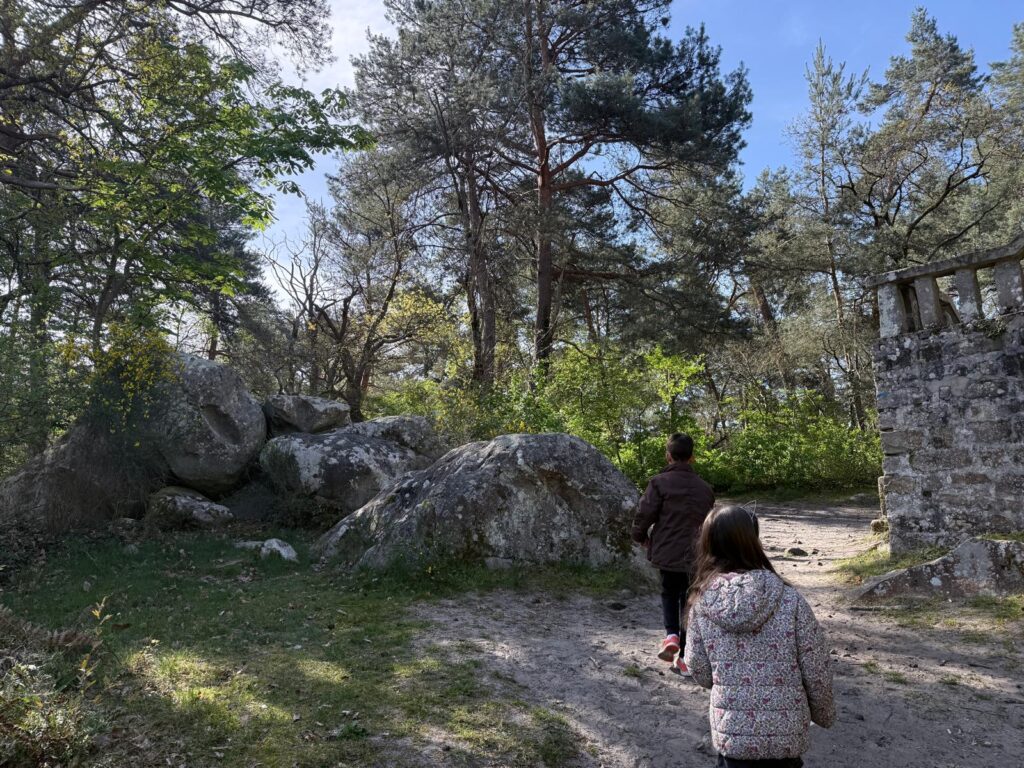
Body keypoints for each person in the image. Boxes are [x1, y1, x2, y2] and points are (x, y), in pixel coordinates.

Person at [683, 505, 836, 768]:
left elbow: (699, 669)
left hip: (732, 734)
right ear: (753, 540)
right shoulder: (791, 600)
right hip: (786, 736)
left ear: (708, 544)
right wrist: (825, 714)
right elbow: (816, 667)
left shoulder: (702, 604)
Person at [630, 432, 715, 672]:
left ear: (668, 456)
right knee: (691, 602)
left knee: (669, 592)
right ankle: (686, 657)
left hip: (668, 551)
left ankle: (671, 636)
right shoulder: (706, 489)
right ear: (692, 458)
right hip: (698, 554)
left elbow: (645, 513)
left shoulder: (658, 483)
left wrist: (640, 537)